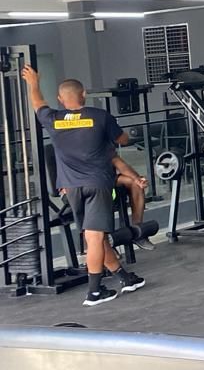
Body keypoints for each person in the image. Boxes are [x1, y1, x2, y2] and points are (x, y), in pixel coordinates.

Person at [21, 66, 146, 306]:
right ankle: (94, 292)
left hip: (71, 189)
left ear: (60, 99)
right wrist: (112, 136)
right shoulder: (100, 117)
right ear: (84, 94)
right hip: (98, 185)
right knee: (95, 237)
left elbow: (37, 103)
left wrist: (33, 82)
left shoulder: (53, 119)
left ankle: (125, 278)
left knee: (94, 237)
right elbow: (123, 139)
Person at [111, 153, 155, 251]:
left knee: (135, 183)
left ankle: (138, 231)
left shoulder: (103, 145)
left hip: (107, 178)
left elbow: (119, 163)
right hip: (88, 183)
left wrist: (137, 179)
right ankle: (105, 244)